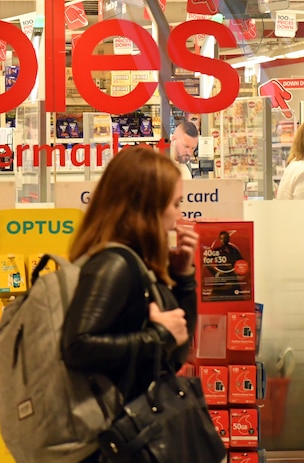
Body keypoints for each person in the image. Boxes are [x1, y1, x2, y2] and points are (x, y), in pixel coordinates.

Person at [61, 145, 198, 463]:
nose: (179, 215)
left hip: (132, 435)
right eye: (175, 204)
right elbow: (78, 346)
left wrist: (184, 278)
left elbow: (177, 352)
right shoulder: (114, 265)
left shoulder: (137, 263)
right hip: (115, 441)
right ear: (148, 206)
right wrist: (158, 336)